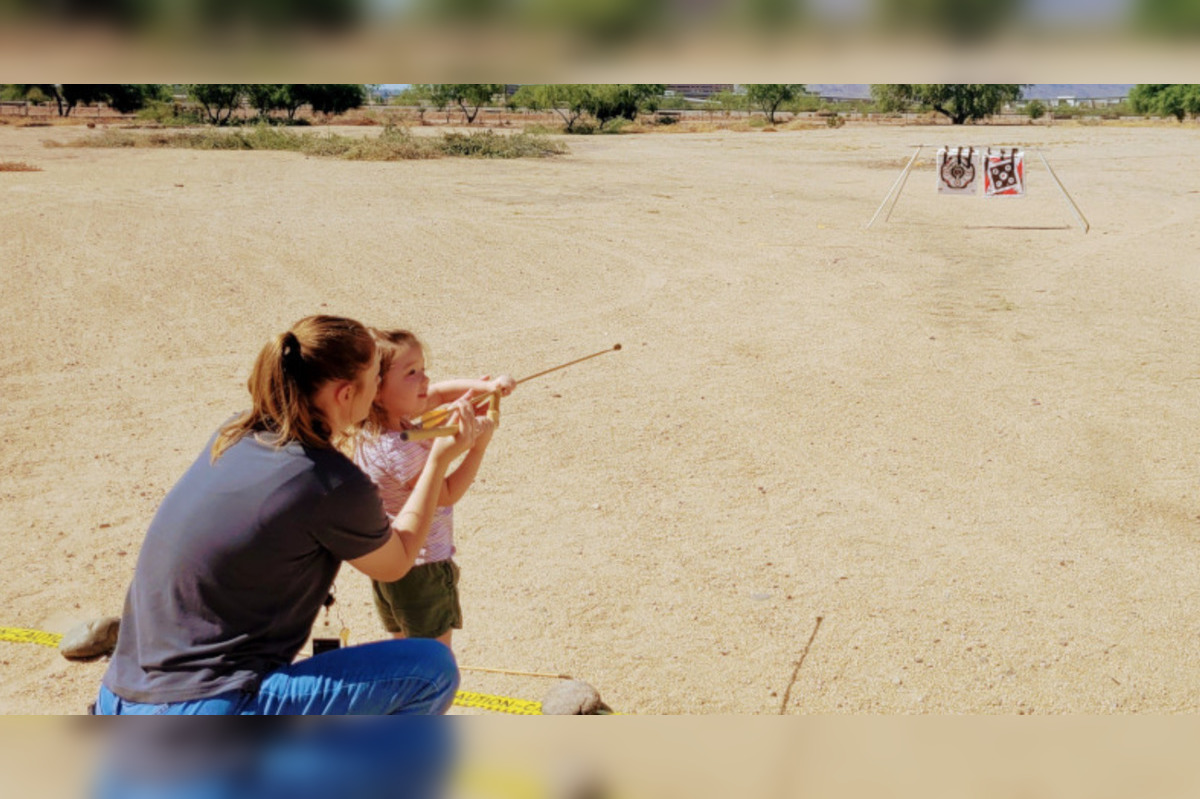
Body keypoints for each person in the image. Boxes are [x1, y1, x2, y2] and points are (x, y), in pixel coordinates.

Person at [94, 315, 481, 715]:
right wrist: (438, 461)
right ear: (346, 394)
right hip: (202, 711)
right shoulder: (330, 481)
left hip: (120, 695)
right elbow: (397, 561)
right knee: (431, 669)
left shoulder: (234, 433)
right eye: (374, 379)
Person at [353, 328, 514, 652]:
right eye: (412, 373)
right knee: (433, 659)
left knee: (402, 651)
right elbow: (447, 493)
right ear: (377, 390)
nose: (425, 380)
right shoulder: (400, 448)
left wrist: (487, 387)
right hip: (423, 569)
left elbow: (440, 394)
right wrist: (477, 448)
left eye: (423, 369)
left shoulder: (377, 429)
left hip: (391, 562)